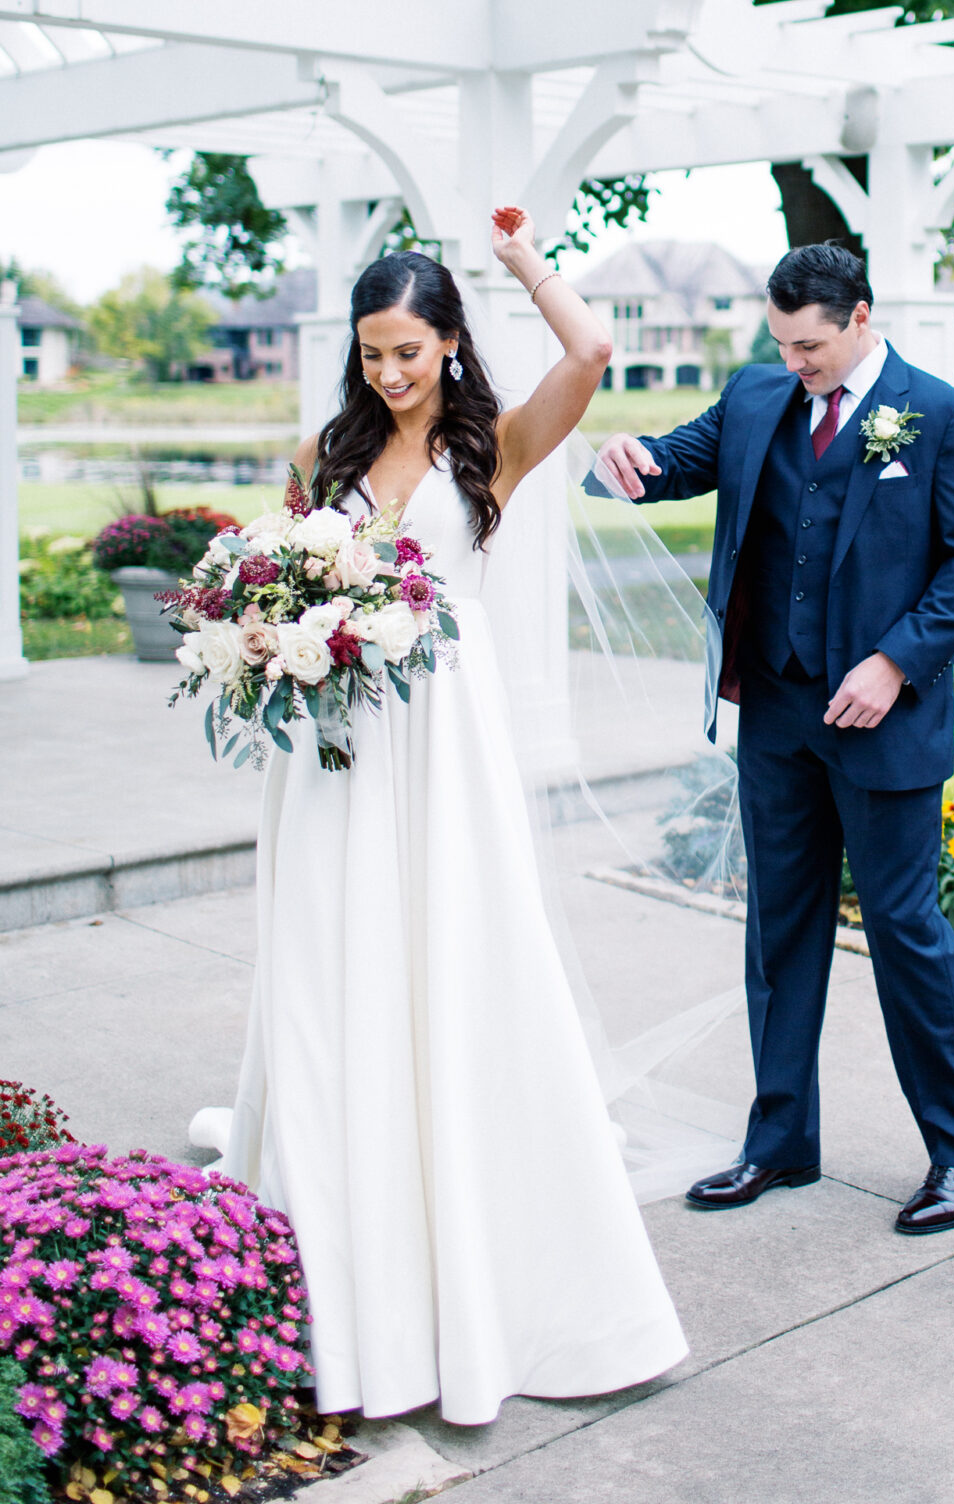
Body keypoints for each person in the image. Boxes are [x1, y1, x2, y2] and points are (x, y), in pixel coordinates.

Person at [221, 207, 688, 1425]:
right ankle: (337, 1223)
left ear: (446, 345)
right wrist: (266, 630)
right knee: (331, 962)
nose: (387, 372)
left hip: (445, 735)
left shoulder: (495, 447)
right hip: (337, 740)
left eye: (407, 352)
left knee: (453, 960)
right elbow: (285, 561)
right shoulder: (330, 448)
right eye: (372, 352)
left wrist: (525, 262)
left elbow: (588, 356)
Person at [594, 242, 954, 1235]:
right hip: (774, 709)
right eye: (781, 344)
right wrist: (623, 460)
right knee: (777, 930)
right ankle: (778, 1141)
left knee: (904, 933)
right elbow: (673, 464)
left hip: (881, 718)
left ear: (859, 316)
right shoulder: (753, 395)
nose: (796, 363)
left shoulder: (941, 415)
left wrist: (894, 660)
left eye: (811, 345)